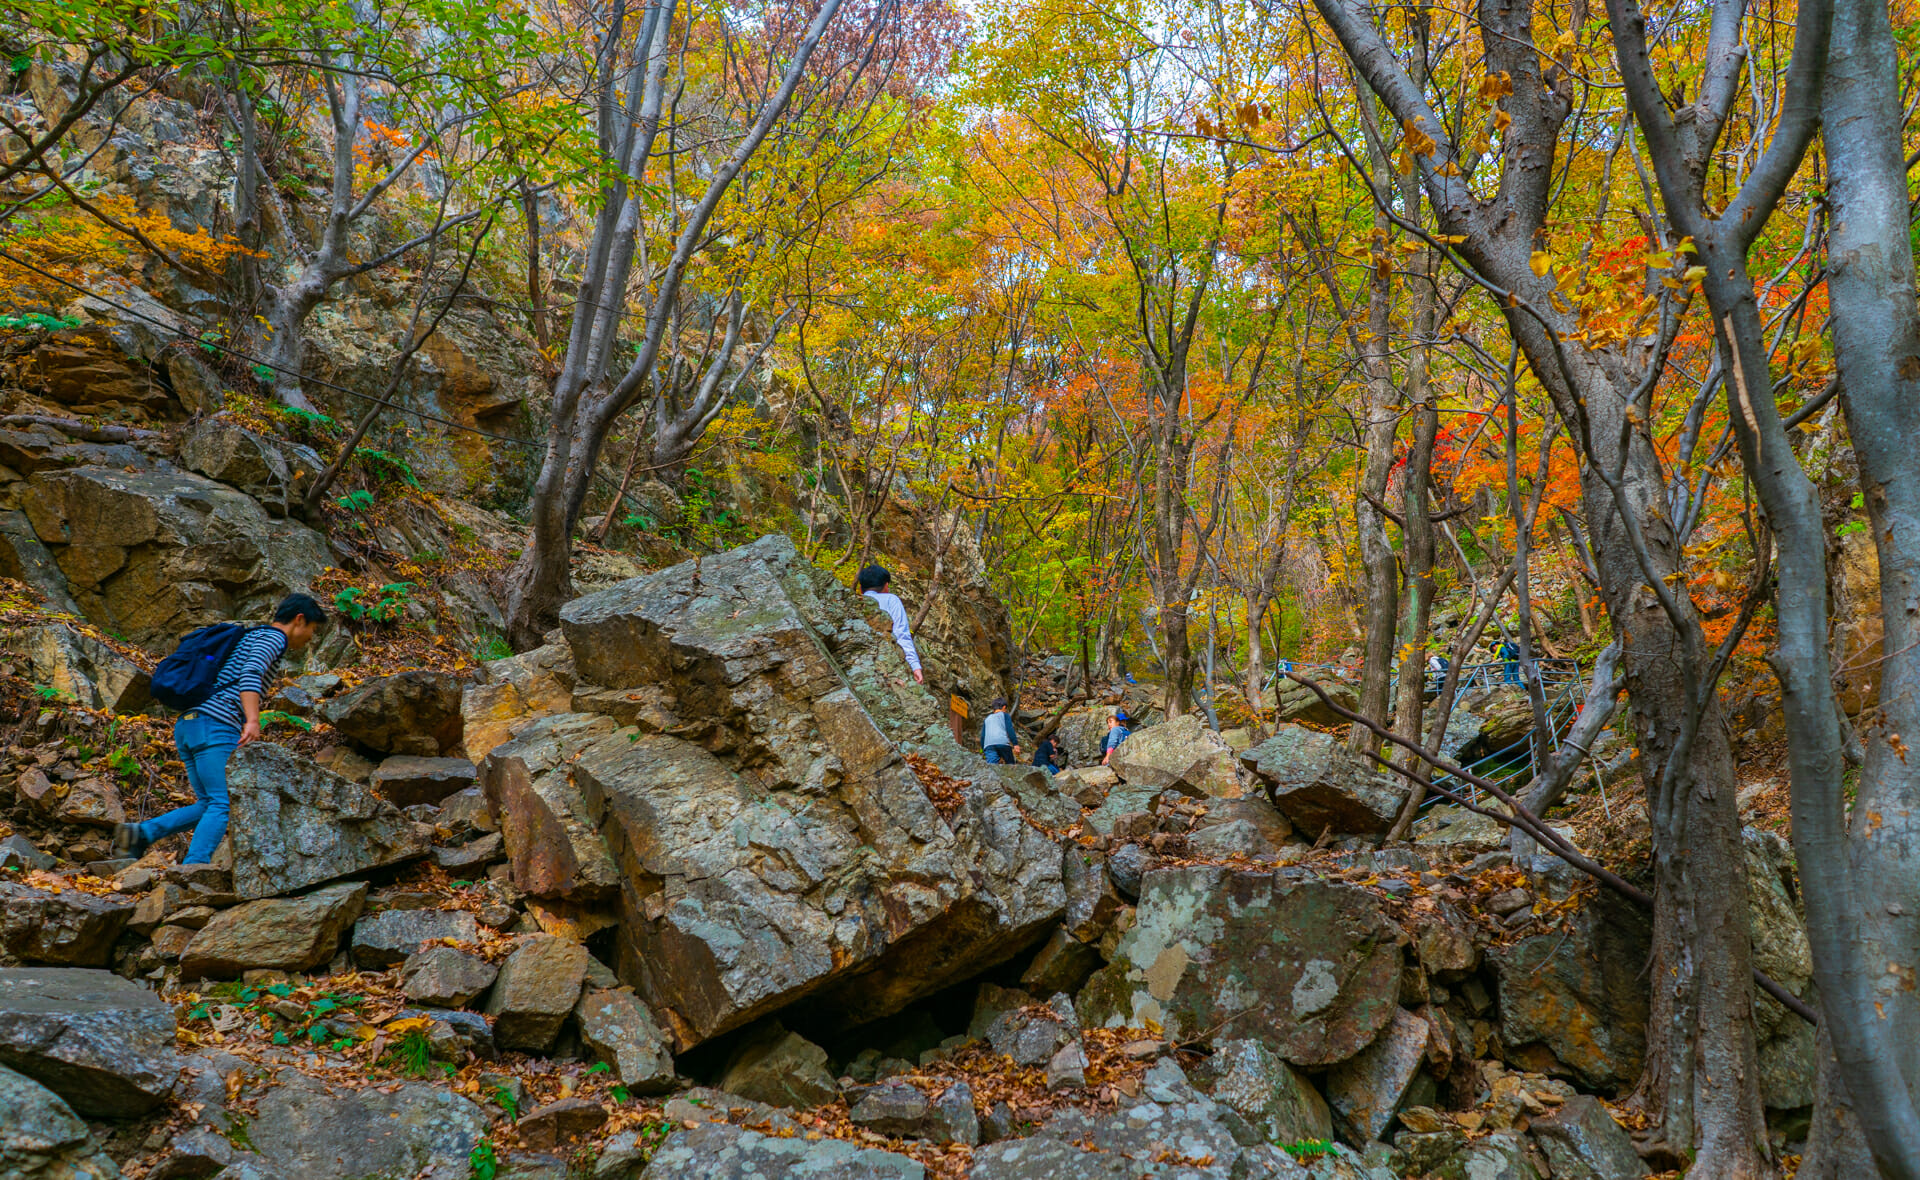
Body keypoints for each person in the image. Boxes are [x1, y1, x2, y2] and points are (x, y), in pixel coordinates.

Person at [113, 594, 326, 863]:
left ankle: (139, 834)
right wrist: (252, 720)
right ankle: (194, 867)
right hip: (216, 725)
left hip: (190, 725)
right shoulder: (274, 638)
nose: (310, 638)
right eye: (313, 630)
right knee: (223, 804)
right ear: (299, 620)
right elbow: (250, 674)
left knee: (208, 803)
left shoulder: (253, 636)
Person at [857, 564, 923, 684]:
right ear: (886, 585)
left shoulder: (855, 602)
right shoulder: (891, 600)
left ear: (861, 588)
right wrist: (914, 665)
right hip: (889, 659)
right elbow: (901, 633)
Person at [981, 698, 1020, 764]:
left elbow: (982, 736)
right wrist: (1015, 744)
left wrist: (984, 749)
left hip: (988, 745)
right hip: (1002, 743)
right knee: (1010, 765)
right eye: (1005, 709)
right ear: (1004, 707)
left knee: (992, 767)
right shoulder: (1005, 715)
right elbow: (1010, 729)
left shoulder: (987, 719)